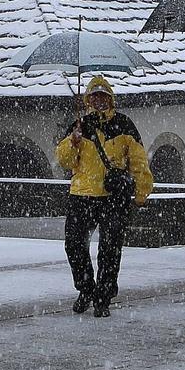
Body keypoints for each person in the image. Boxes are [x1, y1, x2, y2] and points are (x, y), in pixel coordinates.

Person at [53, 75, 152, 317]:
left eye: (103, 96)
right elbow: (65, 160)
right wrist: (72, 141)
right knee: (74, 245)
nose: (99, 100)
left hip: (113, 196)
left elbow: (138, 161)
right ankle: (86, 289)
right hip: (82, 195)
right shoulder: (79, 126)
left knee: (110, 250)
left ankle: (103, 298)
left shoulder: (124, 125)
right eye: (94, 96)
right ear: (88, 99)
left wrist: (141, 192)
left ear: (110, 99)